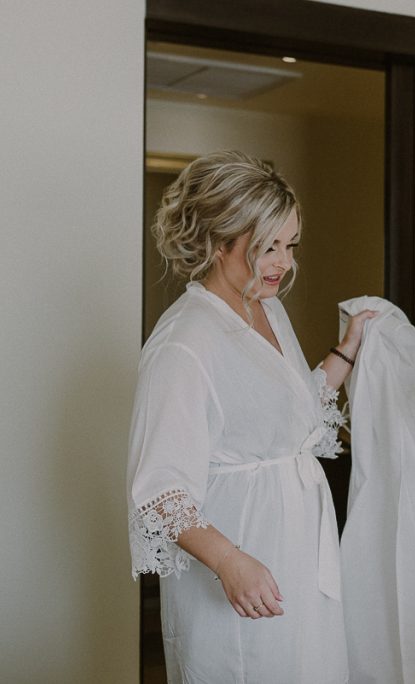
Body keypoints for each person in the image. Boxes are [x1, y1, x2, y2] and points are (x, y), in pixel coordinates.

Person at [126, 150, 374, 682]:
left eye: (289, 245)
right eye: (267, 247)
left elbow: (290, 413)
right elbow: (160, 490)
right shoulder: (185, 341)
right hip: (241, 560)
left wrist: (348, 348)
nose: (282, 262)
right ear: (220, 242)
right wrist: (230, 562)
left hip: (300, 553)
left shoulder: (265, 309)